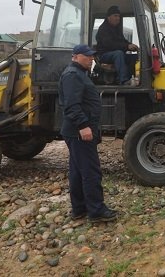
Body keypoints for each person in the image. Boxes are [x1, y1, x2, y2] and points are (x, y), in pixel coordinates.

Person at [58, 44, 118, 222]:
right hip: (79, 132)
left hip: (75, 131)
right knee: (91, 171)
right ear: (75, 56)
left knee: (77, 171)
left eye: (92, 56)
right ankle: (96, 211)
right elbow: (71, 104)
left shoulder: (78, 74)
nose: (91, 58)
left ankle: (79, 209)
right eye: (87, 56)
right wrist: (83, 126)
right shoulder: (73, 75)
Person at [96, 5, 139, 85]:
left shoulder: (116, 29)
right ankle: (123, 80)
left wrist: (131, 45)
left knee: (135, 57)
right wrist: (127, 47)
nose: (118, 18)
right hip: (104, 55)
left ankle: (133, 78)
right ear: (109, 17)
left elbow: (122, 40)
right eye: (115, 16)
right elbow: (109, 45)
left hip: (115, 54)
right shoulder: (103, 29)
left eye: (119, 16)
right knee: (118, 54)